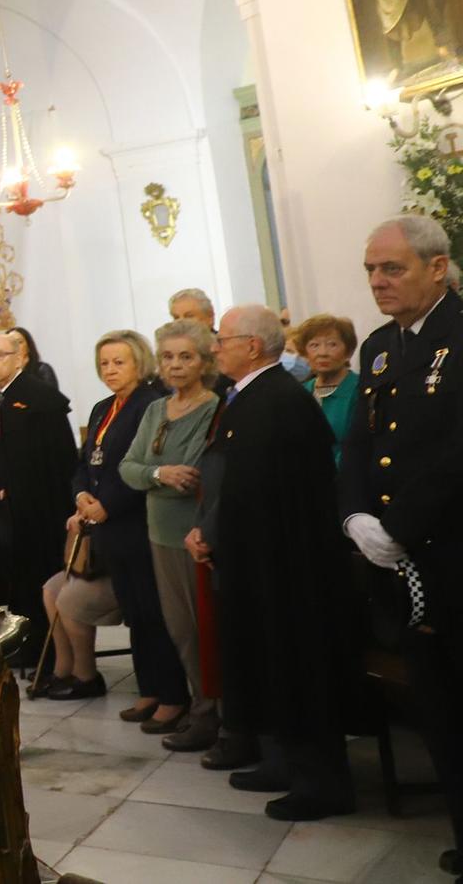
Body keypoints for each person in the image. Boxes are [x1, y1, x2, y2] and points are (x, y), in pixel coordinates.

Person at [194, 304, 356, 821]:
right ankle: (282, 759)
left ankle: (321, 782)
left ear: (252, 346)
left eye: (222, 339)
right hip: (255, 558)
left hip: (287, 565)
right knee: (268, 663)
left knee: (296, 665)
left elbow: (283, 493)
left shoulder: (278, 400)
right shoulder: (252, 397)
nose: (215, 348)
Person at [340, 216, 463, 873]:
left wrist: (399, 525)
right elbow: (361, 441)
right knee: (437, 705)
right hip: (400, 561)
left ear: (437, 268)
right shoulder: (381, 347)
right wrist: (355, 514)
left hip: (450, 551)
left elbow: (455, 449)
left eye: (392, 269)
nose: (378, 282)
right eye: (370, 270)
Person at [39, 332, 189, 728]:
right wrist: (82, 496)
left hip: (138, 524)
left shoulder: (150, 404)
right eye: (104, 363)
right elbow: (86, 463)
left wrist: (109, 504)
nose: (110, 370)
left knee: (153, 613)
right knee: (135, 615)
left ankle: (173, 696)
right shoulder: (104, 407)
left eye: (119, 362)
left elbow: (145, 464)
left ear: (139, 363)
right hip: (108, 530)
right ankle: (149, 690)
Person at [118, 319, 223, 752]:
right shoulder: (156, 410)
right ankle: (200, 707)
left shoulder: (214, 409)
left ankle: (214, 714)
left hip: (193, 535)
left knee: (205, 630)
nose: (175, 365)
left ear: (204, 362)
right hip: (158, 533)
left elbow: (193, 471)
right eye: (168, 357)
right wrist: (158, 472)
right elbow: (129, 468)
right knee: (179, 628)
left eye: (185, 357)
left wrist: (152, 474)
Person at [0, 331, 76, 669]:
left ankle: (39, 647)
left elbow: (58, 461)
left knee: (31, 577)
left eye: (0, 355)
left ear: (20, 357)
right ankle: (0, 641)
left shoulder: (41, 398)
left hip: (30, 511)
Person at [292, 313, 359, 462]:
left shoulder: (359, 389)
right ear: (304, 352)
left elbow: (357, 446)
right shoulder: (301, 392)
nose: (323, 353)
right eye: (314, 345)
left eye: (332, 344)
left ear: (348, 351)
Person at [10, 325, 59, 393]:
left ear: (28, 347)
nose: (15, 346)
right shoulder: (4, 374)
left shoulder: (42, 369)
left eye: (19, 342)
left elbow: (51, 399)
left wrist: (21, 372)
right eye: (11, 343)